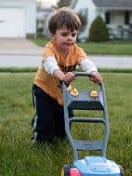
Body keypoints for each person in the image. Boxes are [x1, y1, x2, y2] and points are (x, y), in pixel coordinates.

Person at [31, 8, 103, 144]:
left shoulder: (77, 51)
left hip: (63, 92)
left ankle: (61, 136)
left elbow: (85, 62)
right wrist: (62, 76)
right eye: (64, 34)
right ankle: (41, 141)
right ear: (53, 35)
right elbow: (50, 64)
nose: (70, 38)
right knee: (45, 119)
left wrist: (93, 72)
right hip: (44, 89)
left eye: (73, 34)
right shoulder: (49, 49)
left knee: (66, 118)